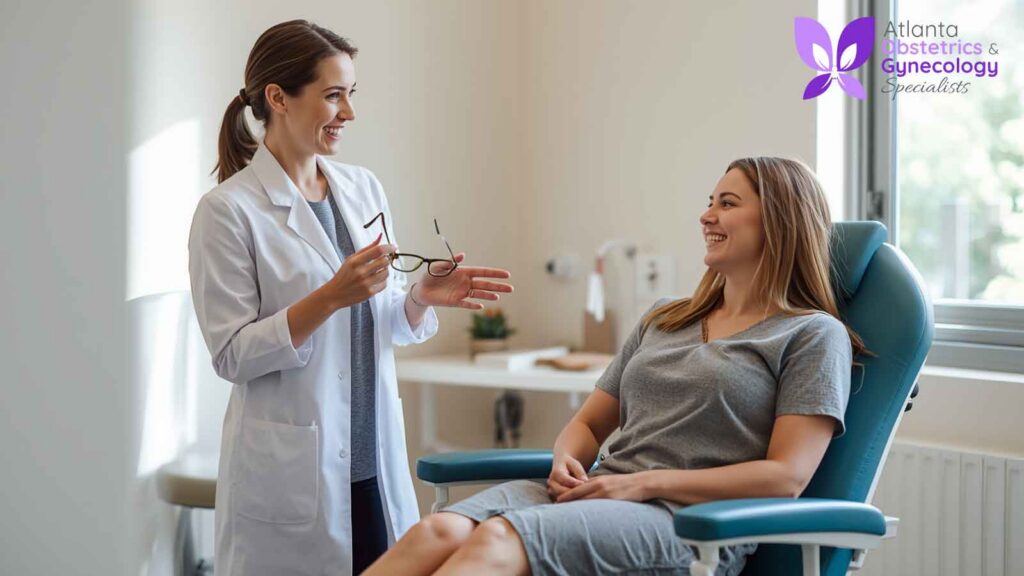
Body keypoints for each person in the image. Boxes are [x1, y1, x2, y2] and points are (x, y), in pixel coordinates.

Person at [364, 157, 868, 576]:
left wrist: (644, 484)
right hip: (600, 490)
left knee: (498, 541)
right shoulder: (666, 316)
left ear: (778, 222)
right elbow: (589, 423)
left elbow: (785, 477)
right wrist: (566, 458)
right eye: (710, 202)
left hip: (688, 523)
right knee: (438, 530)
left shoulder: (810, 334)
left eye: (728, 204)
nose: (707, 216)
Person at [188, 20, 513, 576]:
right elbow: (232, 355)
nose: (349, 113)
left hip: (373, 461)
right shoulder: (227, 211)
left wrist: (419, 297)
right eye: (333, 95)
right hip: (294, 476)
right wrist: (330, 297)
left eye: (351, 95)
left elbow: (378, 318)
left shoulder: (362, 188)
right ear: (278, 98)